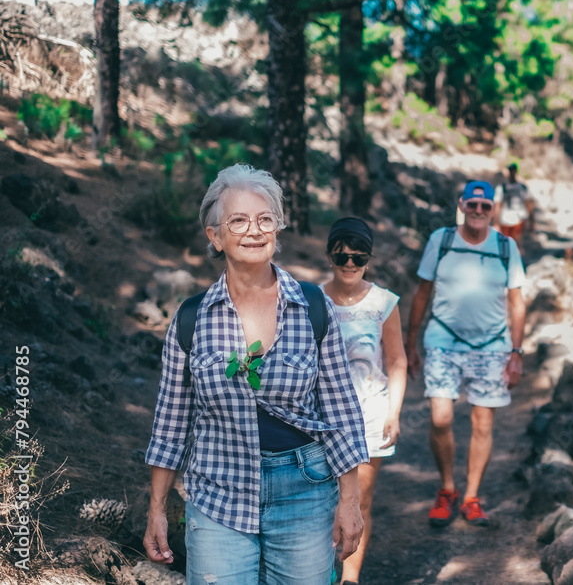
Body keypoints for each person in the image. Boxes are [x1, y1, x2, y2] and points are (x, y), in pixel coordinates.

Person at [143, 164, 368, 585]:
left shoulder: (314, 306)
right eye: (239, 220)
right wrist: (156, 509)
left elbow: (341, 411)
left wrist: (350, 502)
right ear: (215, 236)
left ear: (278, 229)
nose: (254, 230)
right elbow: (170, 423)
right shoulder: (192, 318)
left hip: (305, 488)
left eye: (266, 218)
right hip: (217, 491)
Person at [405, 180, 527, 528]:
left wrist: (516, 352)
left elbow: (517, 303)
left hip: (492, 346)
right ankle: (447, 488)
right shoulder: (441, 240)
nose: (477, 211)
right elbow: (422, 292)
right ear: (461, 205)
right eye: (471, 205)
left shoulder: (506, 247)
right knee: (441, 417)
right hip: (443, 340)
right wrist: (411, 343)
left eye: (484, 206)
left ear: (493, 210)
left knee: (483, 422)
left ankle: (471, 496)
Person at [320, 217, 406, 585]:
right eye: (343, 257)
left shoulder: (384, 302)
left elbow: (398, 359)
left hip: (370, 414)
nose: (351, 264)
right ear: (330, 257)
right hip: (321, 417)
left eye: (360, 256)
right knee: (321, 504)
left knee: (361, 502)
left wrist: (395, 412)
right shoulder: (312, 300)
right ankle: (318, 572)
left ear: (370, 258)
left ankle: (349, 578)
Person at [494, 162, 535, 253]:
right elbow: (498, 205)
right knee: (505, 244)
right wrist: (496, 222)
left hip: (519, 218)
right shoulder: (502, 187)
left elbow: (528, 203)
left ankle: (517, 264)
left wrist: (532, 220)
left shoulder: (522, 187)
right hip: (505, 219)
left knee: (517, 244)